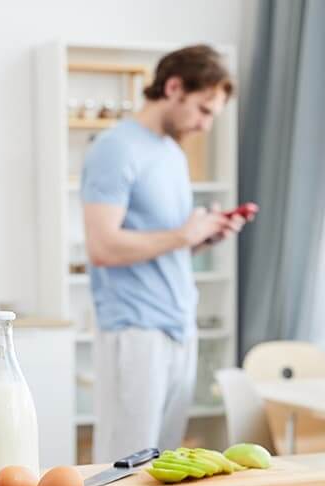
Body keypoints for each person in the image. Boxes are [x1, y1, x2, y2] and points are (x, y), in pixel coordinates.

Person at [81, 44, 253, 463]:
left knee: (165, 464)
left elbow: (162, 244)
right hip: (134, 328)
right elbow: (103, 246)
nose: (206, 124)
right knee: (125, 463)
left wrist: (202, 238)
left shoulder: (172, 154)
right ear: (173, 87)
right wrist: (181, 235)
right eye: (203, 108)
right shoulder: (116, 147)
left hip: (178, 325)